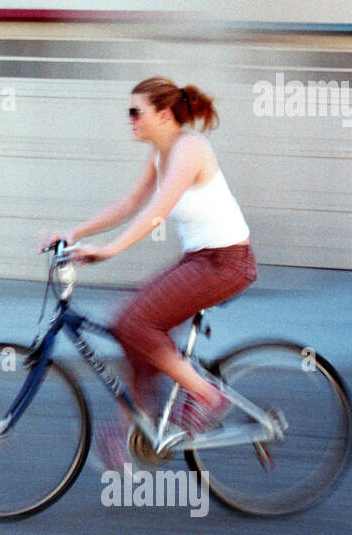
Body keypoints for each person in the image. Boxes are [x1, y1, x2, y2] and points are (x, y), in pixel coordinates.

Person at [41, 77, 258, 470]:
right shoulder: (162, 154)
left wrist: (109, 250)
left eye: (135, 111)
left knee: (133, 322)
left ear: (162, 114)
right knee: (131, 329)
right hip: (200, 260)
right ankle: (137, 428)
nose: (130, 120)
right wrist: (75, 232)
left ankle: (209, 396)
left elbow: (156, 210)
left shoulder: (190, 148)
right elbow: (129, 204)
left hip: (227, 263)